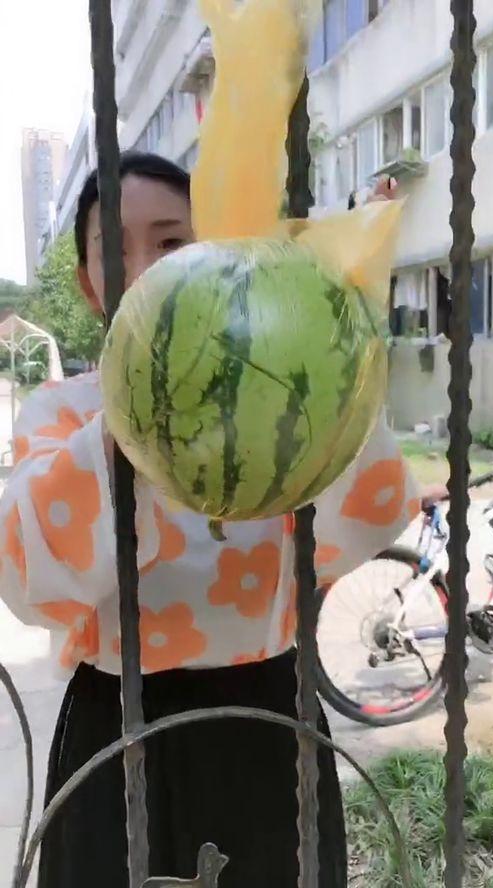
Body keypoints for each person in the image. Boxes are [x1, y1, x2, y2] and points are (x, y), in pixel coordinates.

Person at [0, 152, 419, 888]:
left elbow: (362, 514)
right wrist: (124, 432)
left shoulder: (278, 390)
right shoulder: (62, 413)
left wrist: (332, 346)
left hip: (269, 717)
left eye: (171, 241)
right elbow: (27, 581)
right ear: (87, 282)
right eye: (113, 251)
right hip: (114, 727)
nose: (144, 268)